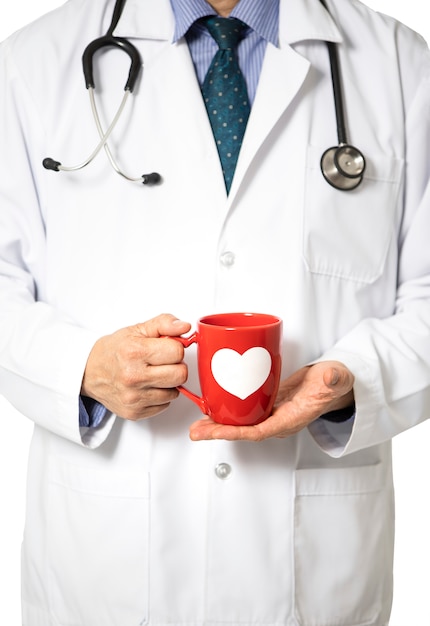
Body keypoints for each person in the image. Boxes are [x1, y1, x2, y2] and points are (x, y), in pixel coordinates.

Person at [0, 0, 429, 624]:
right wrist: (82, 368)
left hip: (313, 570)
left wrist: (354, 382)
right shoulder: (33, 62)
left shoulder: (399, 66)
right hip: (103, 558)